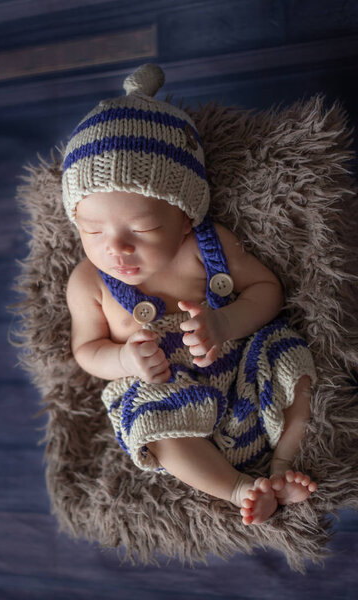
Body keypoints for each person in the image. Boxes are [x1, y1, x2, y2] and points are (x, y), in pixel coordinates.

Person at [62, 63, 318, 526]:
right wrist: (123, 361)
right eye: (92, 230)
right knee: (151, 426)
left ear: (185, 217)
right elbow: (85, 350)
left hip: (240, 373)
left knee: (290, 358)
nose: (114, 247)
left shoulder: (208, 246)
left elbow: (267, 291)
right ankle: (237, 487)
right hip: (165, 391)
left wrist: (225, 323)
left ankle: (282, 466)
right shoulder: (88, 281)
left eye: (143, 228)